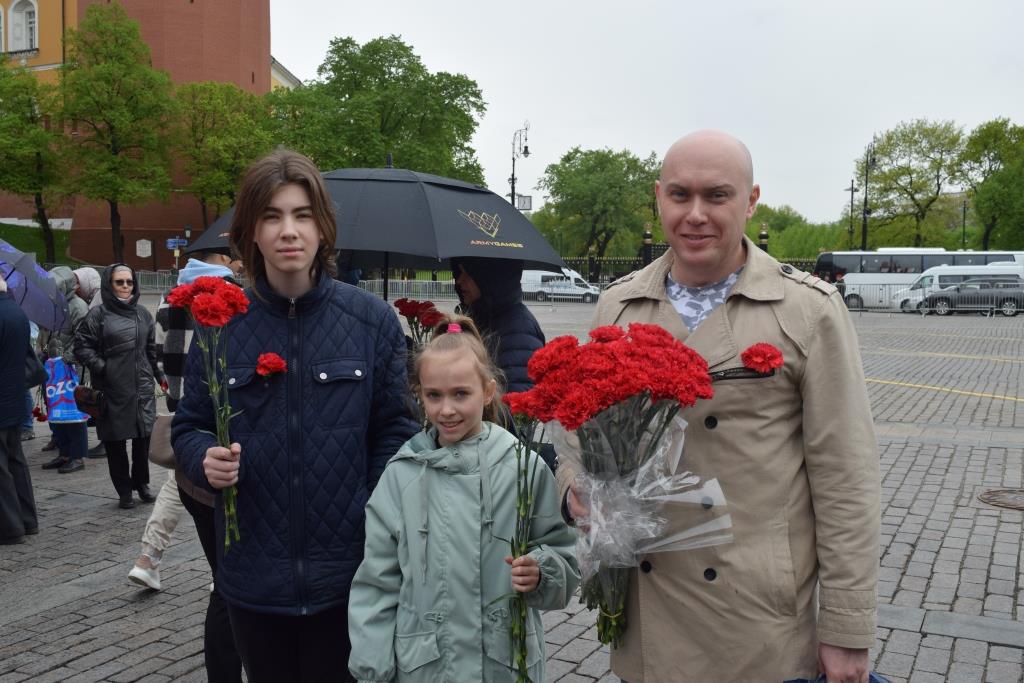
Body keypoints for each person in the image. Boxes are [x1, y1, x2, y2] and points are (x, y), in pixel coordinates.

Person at [557, 131, 880, 683]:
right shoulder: (618, 305)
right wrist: (573, 488)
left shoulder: (808, 311)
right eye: (680, 195)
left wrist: (846, 631)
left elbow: (846, 478)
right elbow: (575, 429)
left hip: (756, 619)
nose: (696, 214)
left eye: (717, 196)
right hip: (650, 611)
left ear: (751, 201)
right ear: (659, 198)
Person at [172, 149, 419, 683]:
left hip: (353, 577)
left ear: (322, 228)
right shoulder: (220, 324)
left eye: (302, 215)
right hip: (252, 579)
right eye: (272, 216)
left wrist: (369, 505)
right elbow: (188, 424)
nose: (289, 231)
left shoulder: (370, 320)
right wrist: (202, 460)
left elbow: (397, 430)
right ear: (250, 232)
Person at [348, 315, 580, 682]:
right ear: (419, 394)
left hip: (503, 665)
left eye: (460, 394)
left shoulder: (523, 469)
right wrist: (373, 668)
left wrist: (540, 571)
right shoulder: (402, 475)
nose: (447, 410)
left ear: (487, 392)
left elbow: (563, 552)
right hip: (426, 668)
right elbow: (378, 579)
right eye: (433, 396)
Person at [128, 249, 244, 682]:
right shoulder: (223, 305)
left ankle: (149, 553)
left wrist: (175, 392)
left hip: (182, 414)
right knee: (193, 493)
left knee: (180, 488)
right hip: (214, 421)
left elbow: (157, 357)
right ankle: (154, 556)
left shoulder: (166, 305)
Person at [75, 264, 167, 509]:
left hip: (142, 387)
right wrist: (105, 368)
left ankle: (142, 483)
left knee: (142, 438)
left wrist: (160, 377)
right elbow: (82, 347)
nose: (126, 286)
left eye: (129, 282)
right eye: (120, 282)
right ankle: (124, 491)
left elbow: (150, 350)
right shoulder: (97, 315)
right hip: (112, 388)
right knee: (115, 441)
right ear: (109, 284)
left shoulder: (143, 314)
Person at [451, 258, 545, 394]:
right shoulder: (485, 316)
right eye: (459, 272)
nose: (459, 280)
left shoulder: (517, 328)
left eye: (468, 274)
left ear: (489, 279)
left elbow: (517, 402)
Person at [38, 266, 91, 474]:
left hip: (71, 369)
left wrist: (65, 358)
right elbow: (49, 333)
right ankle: (64, 453)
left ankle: (77, 456)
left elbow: (83, 338)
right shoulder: (54, 305)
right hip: (54, 369)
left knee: (73, 414)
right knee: (57, 412)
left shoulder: (78, 306)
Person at [0, 273, 38, 544]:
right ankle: (28, 519)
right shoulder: (15, 310)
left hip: (2, 400)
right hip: (14, 397)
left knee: (2, 466)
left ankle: (11, 528)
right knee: (16, 460)